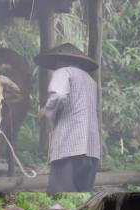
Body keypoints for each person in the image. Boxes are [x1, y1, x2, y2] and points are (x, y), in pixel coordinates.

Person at [35, 43, 101, 193]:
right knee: (83, 192)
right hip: (91, 151)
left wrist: (46, 110)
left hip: (69, 148)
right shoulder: (91, 81)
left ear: (59, 60)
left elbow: (58, 95)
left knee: (61, 191)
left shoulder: (63, 72)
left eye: (56, 62)